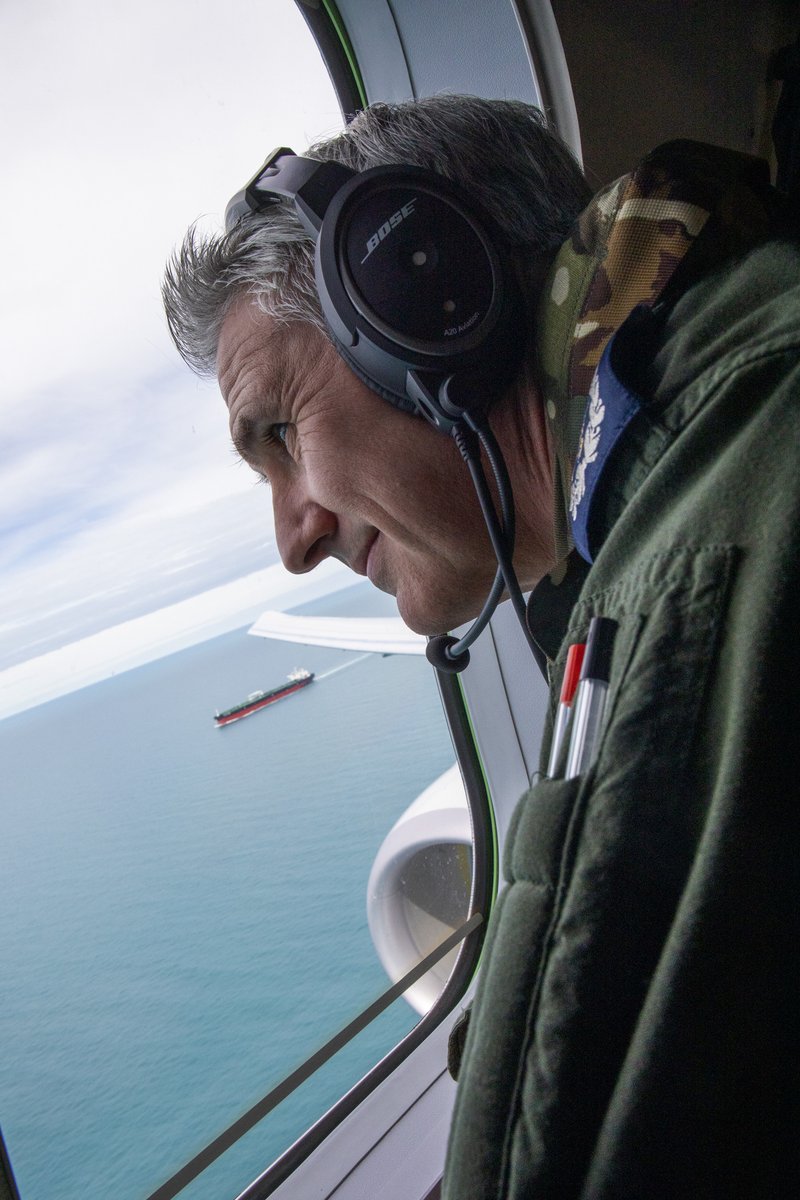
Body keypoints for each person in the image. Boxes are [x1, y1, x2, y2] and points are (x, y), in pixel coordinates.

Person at [162, 95, 799, 1199]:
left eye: (279, 433)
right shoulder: (641, 522)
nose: (292, 540)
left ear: (424, 303)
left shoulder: (719, 529)